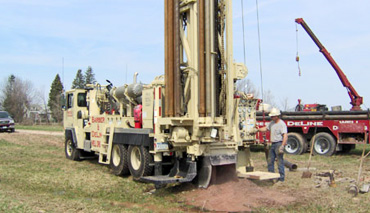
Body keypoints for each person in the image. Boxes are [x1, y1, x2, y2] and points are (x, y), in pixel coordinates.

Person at [257, 108, 288, 182]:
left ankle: (281, 178)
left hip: (278, 144)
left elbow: (285, 136)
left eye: (273, 116)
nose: (271, 117)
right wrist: (258, 129)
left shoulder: (282, 124)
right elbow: (266, 128)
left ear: (277, 116)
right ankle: (271, 177)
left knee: (279, 161)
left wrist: (282, 146)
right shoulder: (272, 123)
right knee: (270, 161)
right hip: (273, 144)